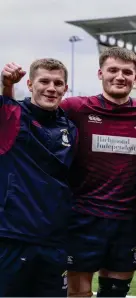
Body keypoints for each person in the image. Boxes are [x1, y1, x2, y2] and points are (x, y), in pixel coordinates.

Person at [59, 47, 136, 297]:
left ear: (135, 78)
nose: (120, 76)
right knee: (78, 292)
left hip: (125, 219)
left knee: (115, 292)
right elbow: (32, 114)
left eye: (127, 72)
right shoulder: (75, 107)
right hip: (82, 217)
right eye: (113, 70)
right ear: (100, 73)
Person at [0, 59, 78, 297]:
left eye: (58, 83)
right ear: (31, 84)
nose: (51, 88)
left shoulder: (70, 129)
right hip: (14, 236)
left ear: (66, 88)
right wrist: (6, 85)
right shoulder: (12, 115)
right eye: (44, 81)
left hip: (55, 240)